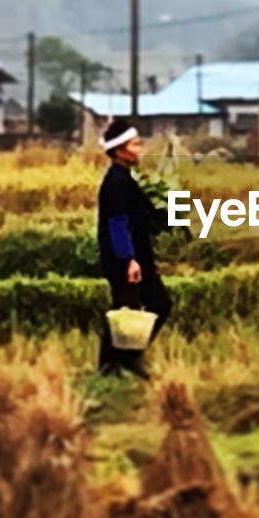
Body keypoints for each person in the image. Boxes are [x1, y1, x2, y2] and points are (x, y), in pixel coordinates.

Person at [96, 118, 172, 379]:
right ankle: (119, 363)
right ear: (120, 150)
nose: (141, 148)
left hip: (135, 256)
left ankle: (118, 363)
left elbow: (138, 215)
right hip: (126, 258)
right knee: (139, 308)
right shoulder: (116, 182)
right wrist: (128, 260)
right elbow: (117, 224)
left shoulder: (125, 178)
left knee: (129, 310)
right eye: (135, 143)